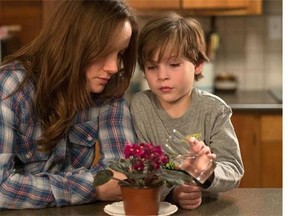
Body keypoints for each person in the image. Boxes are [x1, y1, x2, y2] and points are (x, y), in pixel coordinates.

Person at [0, 0, 138, 209]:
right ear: (73, 44)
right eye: (103, 51)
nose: (114, 67)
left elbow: (122, 175)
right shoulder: (11, 87)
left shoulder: (109, 91)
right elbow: (2, 188)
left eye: (119, 54)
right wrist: (94, 187)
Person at [130, 12, 244, 210]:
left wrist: (207, 173)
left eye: (174, 64)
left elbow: (233, 170)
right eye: (152, 67)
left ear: (199, 65)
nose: (162, 76)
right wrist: (173, 193)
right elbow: (138, 170)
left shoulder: (214, 110)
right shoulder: (141, 107)